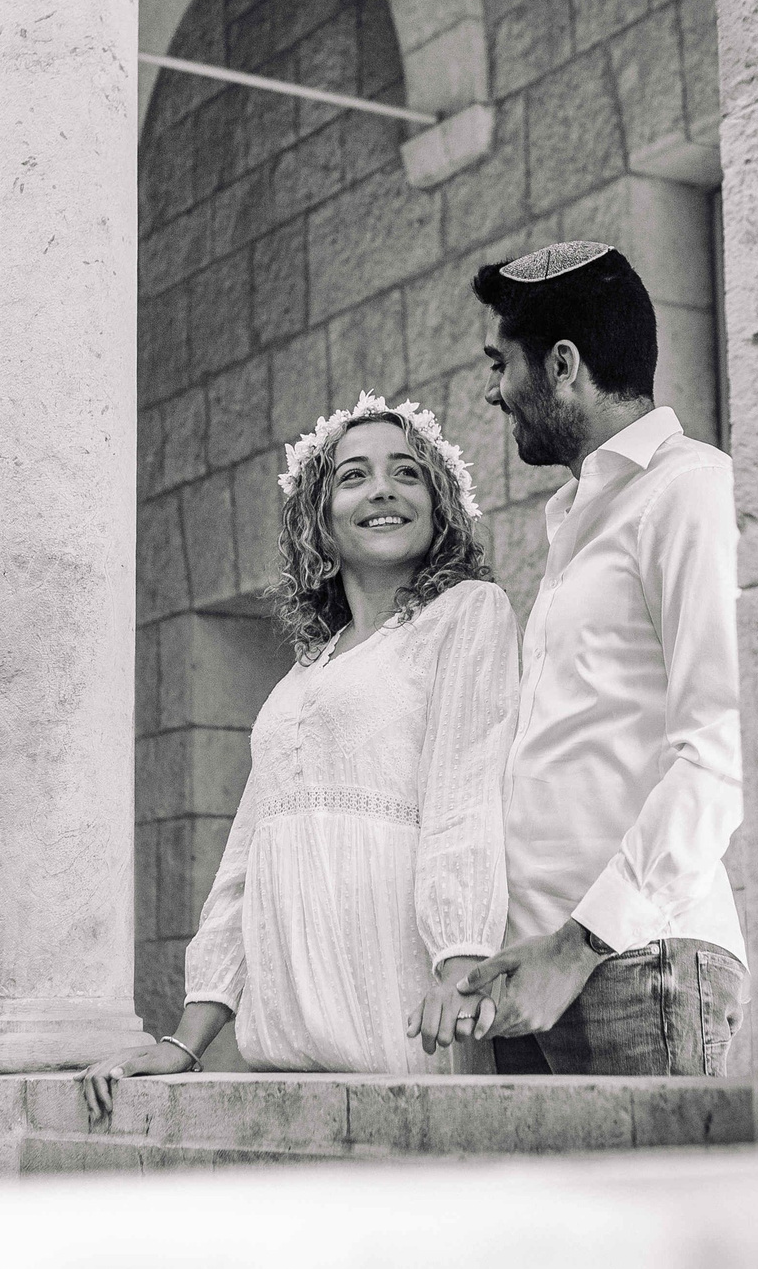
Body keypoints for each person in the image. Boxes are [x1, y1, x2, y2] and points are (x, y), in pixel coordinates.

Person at [83, 395, 517, 1113]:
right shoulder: (304, 672)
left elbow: (465, 798)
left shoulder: (466, 614)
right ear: (320, 516)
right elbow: (246, 860)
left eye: (406, 472)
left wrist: (461, 969)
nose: (382, 489)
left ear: (440, 506)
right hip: (288, 1045)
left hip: (404, 1013)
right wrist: (186, 1041)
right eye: (355, 476)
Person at [456, 241, 746, 1076]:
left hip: (639, 966)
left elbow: (720, 748)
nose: (492, 389)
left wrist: (579, 945)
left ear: (563, 364)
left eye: (499, 363)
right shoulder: (576, 519)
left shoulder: (688, 490)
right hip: (532, 975)